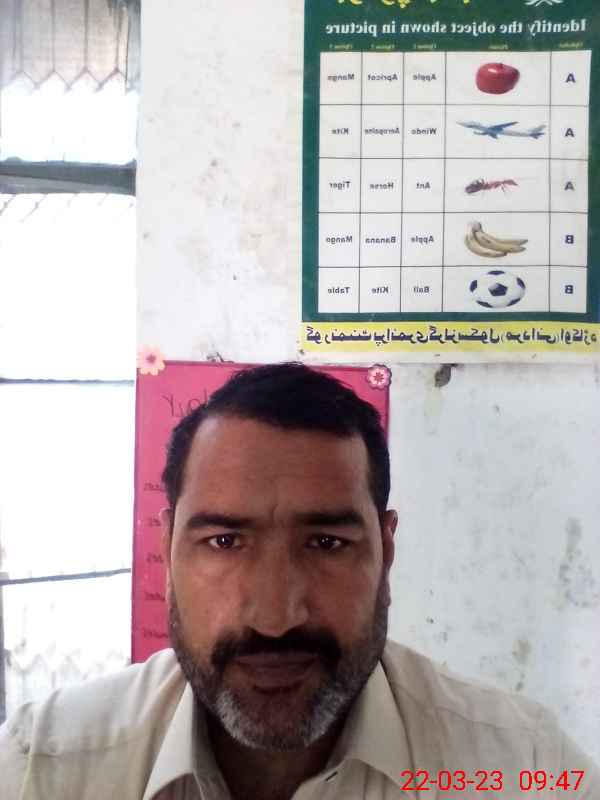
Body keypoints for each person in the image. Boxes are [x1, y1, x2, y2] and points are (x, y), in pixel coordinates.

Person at [1, 363, 598, 799]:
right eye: (225, 542)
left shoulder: (525, 768)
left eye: (326, 543)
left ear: (386, 550)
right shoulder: (42, 769)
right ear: (167, 550)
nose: (274, 616)